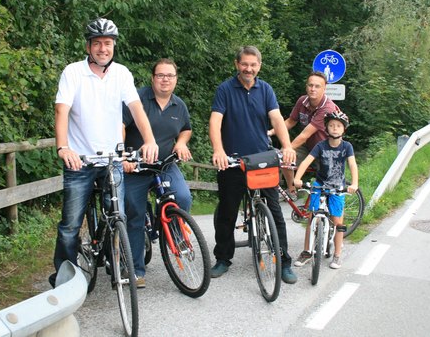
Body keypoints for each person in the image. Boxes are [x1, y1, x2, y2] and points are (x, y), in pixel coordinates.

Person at [50, 18, 158, 288]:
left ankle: (117, 262)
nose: (102, 48)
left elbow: (135, 108)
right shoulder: (73, 72)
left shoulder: (121, 73)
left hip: (112, 161)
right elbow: (61, 110)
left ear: (113, 46)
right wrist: (64, 147)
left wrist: (150, 140)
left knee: (117, 215)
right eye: (97, 43)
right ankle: (65, 280)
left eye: (107, 43)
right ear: (88, 46)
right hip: (80, 160)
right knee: (70, 225)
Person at [209, 45, 298, 284]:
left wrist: (287, 146)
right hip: (233, 160)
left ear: (259, 66)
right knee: (227, 212)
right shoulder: (225, 89)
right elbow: (215, 121)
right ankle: (223, 258)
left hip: (262, 159)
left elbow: (277, 119)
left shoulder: (265, 89)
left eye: (253, 64)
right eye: (244, 64)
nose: (249, 68)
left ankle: (284, 260)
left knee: (275, 211)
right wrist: (218, 150)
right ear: (237, 64)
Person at [122, 58, 193, 289]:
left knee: (182, 197)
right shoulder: (138, 99)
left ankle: (173, 233)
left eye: (170, 76)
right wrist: (123, 155)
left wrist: (181, 143)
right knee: (134, 212)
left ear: (176, 79)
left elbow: (186, 129)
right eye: (160, 75)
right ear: (152, 78)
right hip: (136, 167)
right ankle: (135, 270)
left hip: (164, 164)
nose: (165, 79)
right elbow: (120, 126)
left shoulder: (178, 105)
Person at [292, 110, 358, 270]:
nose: (335, 128)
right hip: (319, 186)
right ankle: (307, 251)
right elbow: (306, 162)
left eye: (338, 126)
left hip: (337, 187)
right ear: (326, 129)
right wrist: (297, 178)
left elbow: (352, 165)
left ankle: (337, 254)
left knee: (338, 222)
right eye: (331, 126)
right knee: (311, 217)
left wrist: (354, 183)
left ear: (344, 129)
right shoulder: (320, 146)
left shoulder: (346, 146)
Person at [268, 71, 338, 197]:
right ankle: (292, 191)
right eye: (310, 85)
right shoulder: (302, 101)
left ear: (324, 88)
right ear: (306, 86)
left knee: (326, 185)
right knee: (285, 160)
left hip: (325, 148)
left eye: (317, 86)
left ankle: (324, 208)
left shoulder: (327, 108)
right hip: (307, 145)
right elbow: (290, 121)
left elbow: (305, 134)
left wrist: (287, 148)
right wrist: (271, 132)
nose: (313, 89)